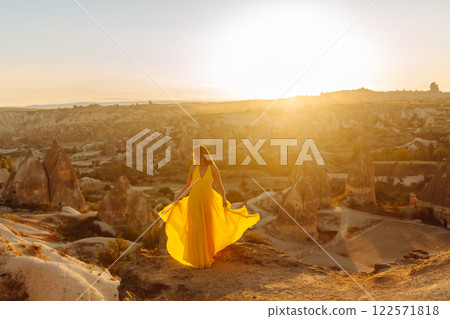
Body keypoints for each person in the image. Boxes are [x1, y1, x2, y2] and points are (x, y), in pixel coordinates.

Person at [157, 145, 260, 268]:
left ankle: (207, 255)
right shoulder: (192, 168)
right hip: (194, 200)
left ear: (202, 156)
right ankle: (196, 257)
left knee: (207, 226)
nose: (194, 158)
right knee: (196, 227)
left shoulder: (213, 169)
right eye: (193, 156)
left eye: (195, 156)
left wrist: (224, 199)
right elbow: (187, 185)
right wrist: (177, 197)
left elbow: (220, 186)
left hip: (208, 200)